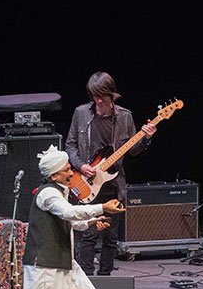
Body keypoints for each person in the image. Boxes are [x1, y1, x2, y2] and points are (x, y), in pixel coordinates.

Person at [15, 145, 125, 289]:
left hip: (62, 258)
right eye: (67, 169)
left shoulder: (59, 191)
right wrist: (102, 207)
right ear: (54, 175)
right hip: (44, 261)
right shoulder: (48, 194)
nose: (71, 173)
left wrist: (92, 222)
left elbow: (70, 221)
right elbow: (68, 213)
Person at [64, 72, 157, 275]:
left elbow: (132, 150)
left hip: (113, 185)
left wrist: (145, 139)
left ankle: (106, 278)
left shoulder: (125, 116)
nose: (98, 101)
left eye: (102, 96)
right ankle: (87, 280)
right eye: (94, 96)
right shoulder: (81, 113)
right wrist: (81, 166)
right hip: (87, 182)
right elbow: (70, 145)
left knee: (110, 237)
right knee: (88, 235)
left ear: (111, 94)